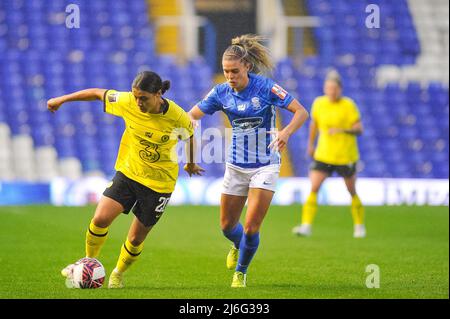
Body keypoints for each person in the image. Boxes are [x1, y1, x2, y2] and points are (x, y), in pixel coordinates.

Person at [47, 71, 204, 288]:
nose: (138, 102)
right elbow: (95, 93)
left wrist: (191, 163)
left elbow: (191, 137)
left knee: (135, 239)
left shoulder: (177, 116)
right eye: (136, 96)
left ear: (158, 94)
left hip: (159, 184)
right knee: (100, 218)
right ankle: (88, 261)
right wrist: (61, 100)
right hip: (129, 173)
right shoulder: (127, 101)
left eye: (144, 98)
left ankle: (117, 273)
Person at [188, 34, 309, 287]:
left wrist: (285, 132)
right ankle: (236, 243)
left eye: (234, 71)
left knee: (252, 227)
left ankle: (240, 273)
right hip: (235, 166)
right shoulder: (220, 92)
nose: (229, 76)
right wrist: (190, 154)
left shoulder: (266, 87)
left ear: (247, 67)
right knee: (226, 226)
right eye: (225, 71)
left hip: (265, 164)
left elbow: (301, 111)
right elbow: (192, 116)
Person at [292, 70, 366, 238]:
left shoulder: (348, 105)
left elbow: (359, 129)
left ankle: (359, 225)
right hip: (324, 154)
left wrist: (342, 130)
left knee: (351, 191)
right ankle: (306, 225)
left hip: (345, 155)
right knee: (314, 187)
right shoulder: (319, 103)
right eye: (328, 88)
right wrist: (311, 144)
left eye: (334, 88)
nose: (331, 91)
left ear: (340, 89)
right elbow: (314, 125)